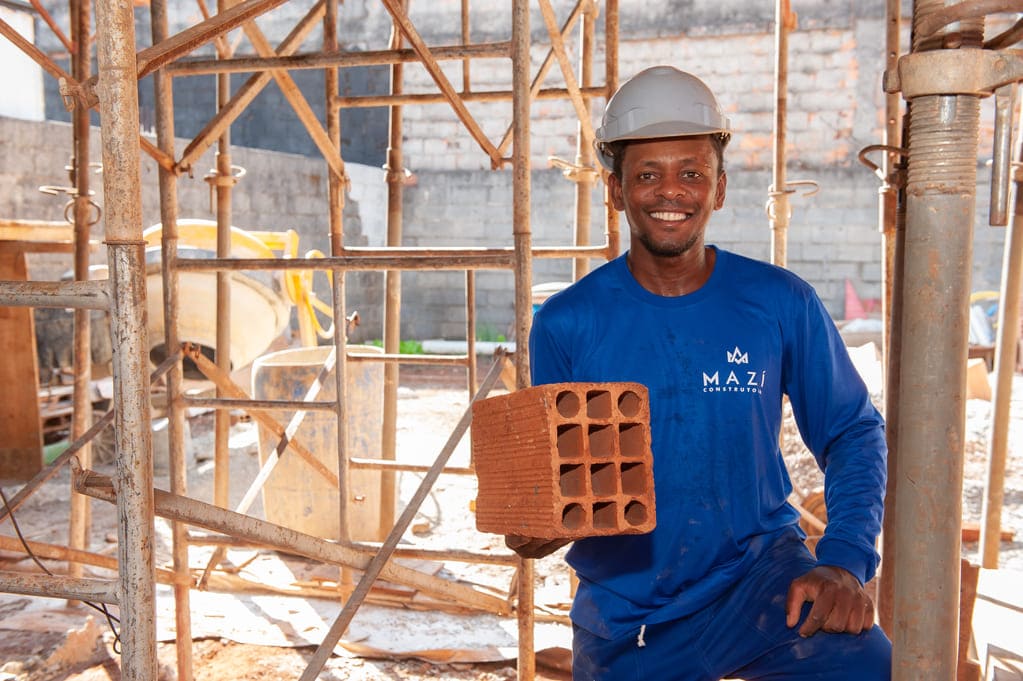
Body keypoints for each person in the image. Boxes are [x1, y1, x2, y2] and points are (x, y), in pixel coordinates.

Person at [509, 66, 892, 680]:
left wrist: (844, 559)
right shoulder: (566, 323)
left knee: (863, 663)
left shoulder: (779, 302)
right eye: (647, 175)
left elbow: (852, 431)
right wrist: (541, 524)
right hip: (630, 607)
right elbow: (560, 476)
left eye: (691, 173)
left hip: (761, 579)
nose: (671, 192)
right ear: (616, 190)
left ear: (717, 189)